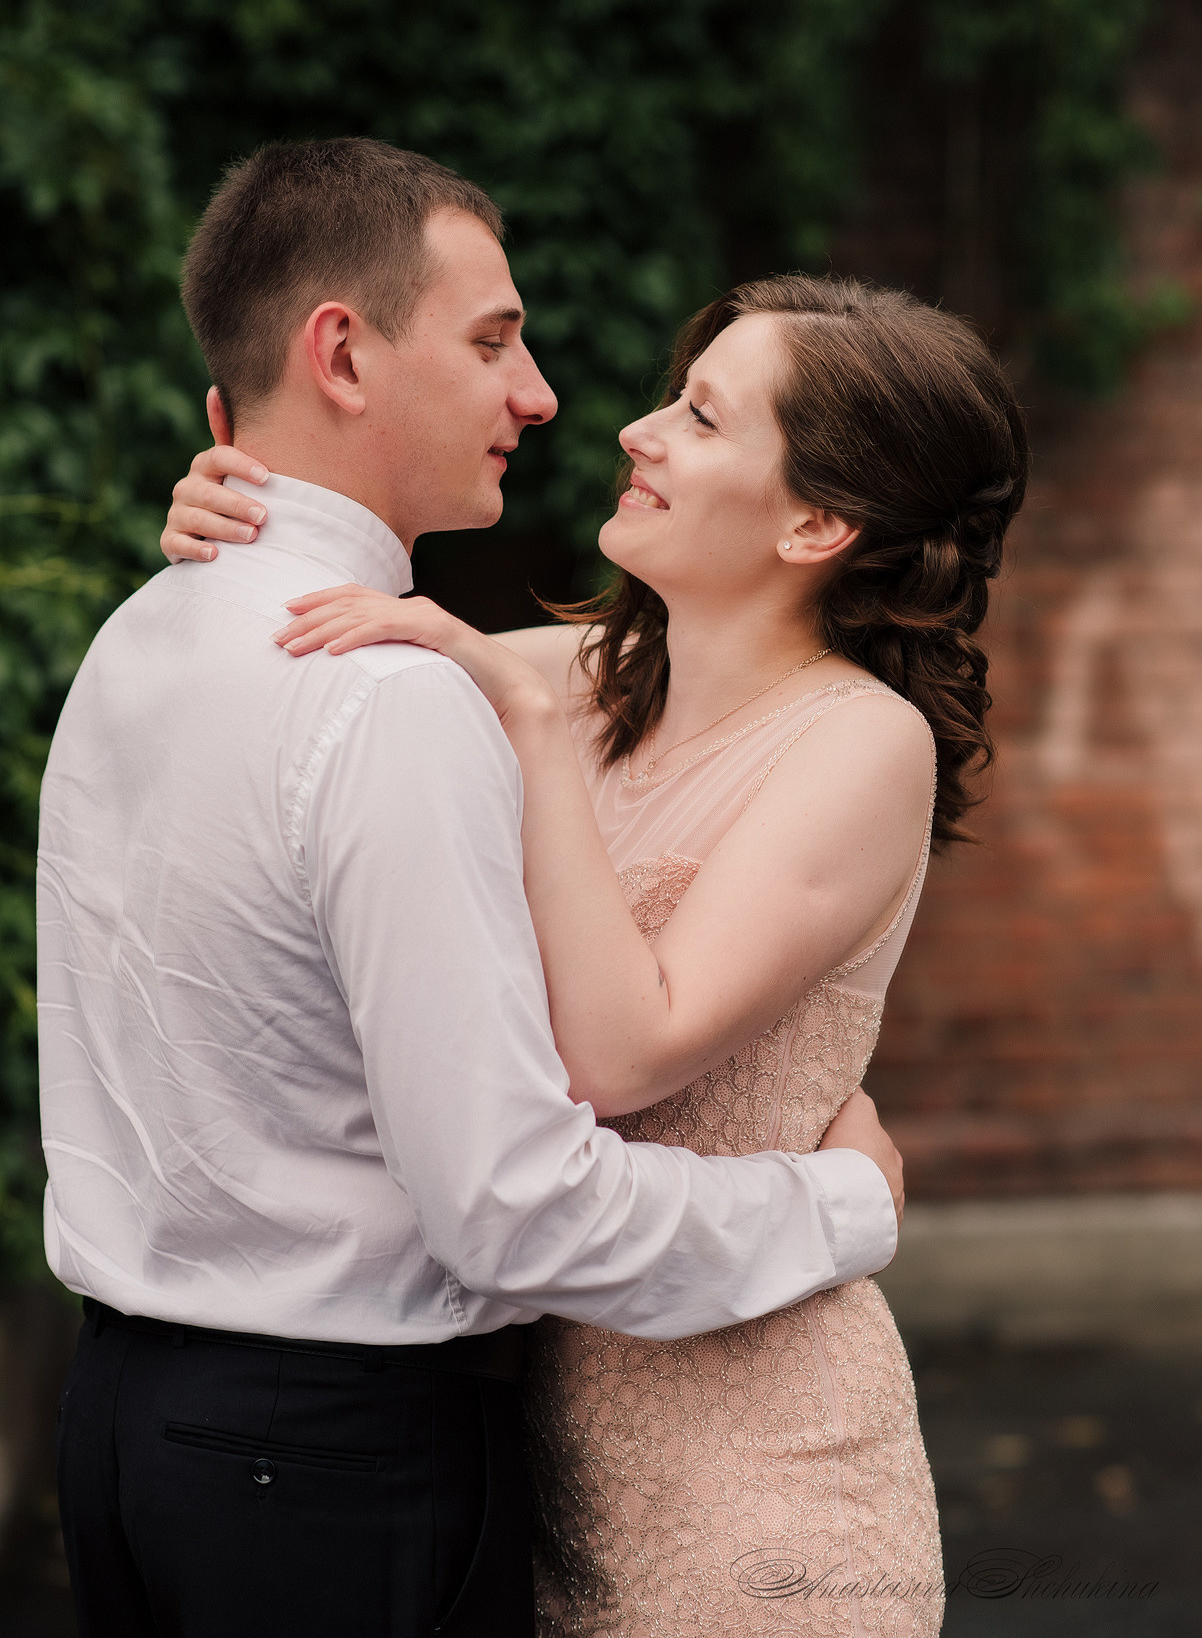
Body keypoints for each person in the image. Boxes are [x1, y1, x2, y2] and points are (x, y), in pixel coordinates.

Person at [38, 138, 907, 1638]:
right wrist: (838, 1203)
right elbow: (511, 1206)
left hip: (135, 1426)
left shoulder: (151, 627)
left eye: (698, 412)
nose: (560, 403)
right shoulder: (407, 693)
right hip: (324, 1457)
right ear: (343, 355)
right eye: (495, 341)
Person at [165, 260, 1029, 1634]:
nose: (635, 429)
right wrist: (241, 517)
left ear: (813, 519)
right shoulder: (583, 676)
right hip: (546, 1458)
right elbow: (304, 672)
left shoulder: (862, 742)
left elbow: (617, 1051)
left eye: (698, 414)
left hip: (758, 1471)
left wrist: (519, 725)